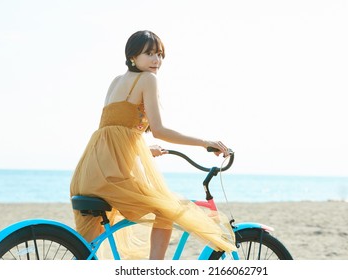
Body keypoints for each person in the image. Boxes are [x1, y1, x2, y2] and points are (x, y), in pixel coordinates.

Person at [70, 30, 236, 260]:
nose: (156, 60)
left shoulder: (116, 81)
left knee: (89, 248)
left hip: (89, 174)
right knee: (165, 211)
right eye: (149, 54)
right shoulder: (148, 79)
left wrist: (145, 150)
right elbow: (158, 130)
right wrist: (204, 143)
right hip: (110, 177)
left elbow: (112, 133)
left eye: (159, 54)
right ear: (132, 56)